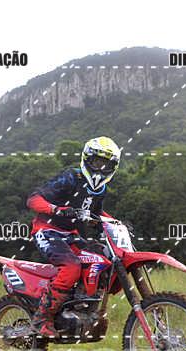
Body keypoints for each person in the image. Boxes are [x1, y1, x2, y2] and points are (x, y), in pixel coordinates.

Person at [25, 136, 122, 337]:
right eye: (98, 162)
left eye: (107, 165)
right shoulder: (71, 178)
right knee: (71, 267)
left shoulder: (100, 190)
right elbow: (33, 200)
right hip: (47, 231)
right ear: (88, 159)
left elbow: (97, 214)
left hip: (71, 235)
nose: (101, 169)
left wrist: (117, 223)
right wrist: (57, 210)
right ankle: (41, 319)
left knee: (101, 260)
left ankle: (81, 308)